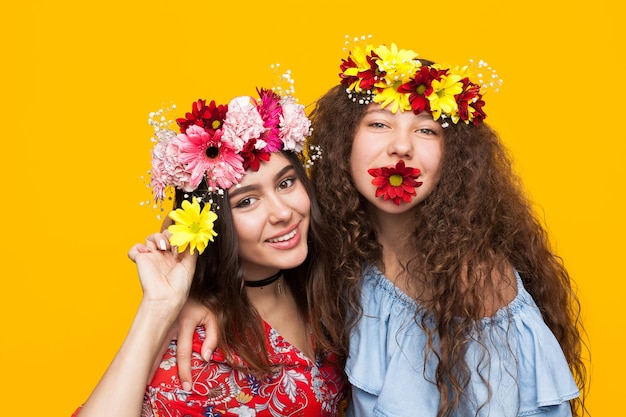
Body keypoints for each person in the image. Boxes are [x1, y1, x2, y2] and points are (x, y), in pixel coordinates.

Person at [174, 42, 588, 417]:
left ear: (455, 160)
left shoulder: (473, 279)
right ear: (341, 144)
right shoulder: (326, 246)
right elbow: (253, 262)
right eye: (379, 124)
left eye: (426, 129)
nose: (402, 146)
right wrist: (204, 296)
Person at [73, 86, 347, 417]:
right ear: (212, 223)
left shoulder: (333, 282)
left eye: (286, 183)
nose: (282, 213)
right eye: (247, 201)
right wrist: (160, 306)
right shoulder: (198, 352)